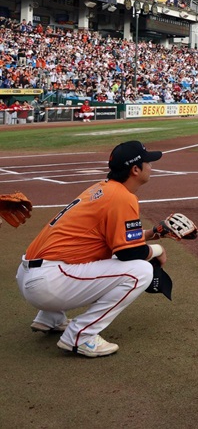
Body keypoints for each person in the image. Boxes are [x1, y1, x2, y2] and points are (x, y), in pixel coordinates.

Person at [16, 141, 166, 358]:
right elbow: (129, 253)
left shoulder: (101, 189)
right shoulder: (122, 197)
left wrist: (151, 233)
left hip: (30, 275)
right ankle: (80, 336)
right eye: (148, 162)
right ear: (135, 169)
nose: (151, 167)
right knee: (140, 271)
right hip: (49, 283)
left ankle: (50, 318)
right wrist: (158, 250)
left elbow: (116, 239)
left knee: (99, 256)